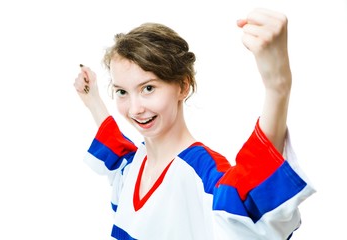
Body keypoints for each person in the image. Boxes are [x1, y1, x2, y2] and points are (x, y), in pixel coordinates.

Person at [74, 8, 315, 240]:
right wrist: (93, 99)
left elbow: (247, 199)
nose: (135, 109)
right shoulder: (135, 165)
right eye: (122, 92)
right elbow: (118, 156)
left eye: (148, 88)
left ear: (183, 86)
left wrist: (278, 86)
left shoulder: (202, 173)